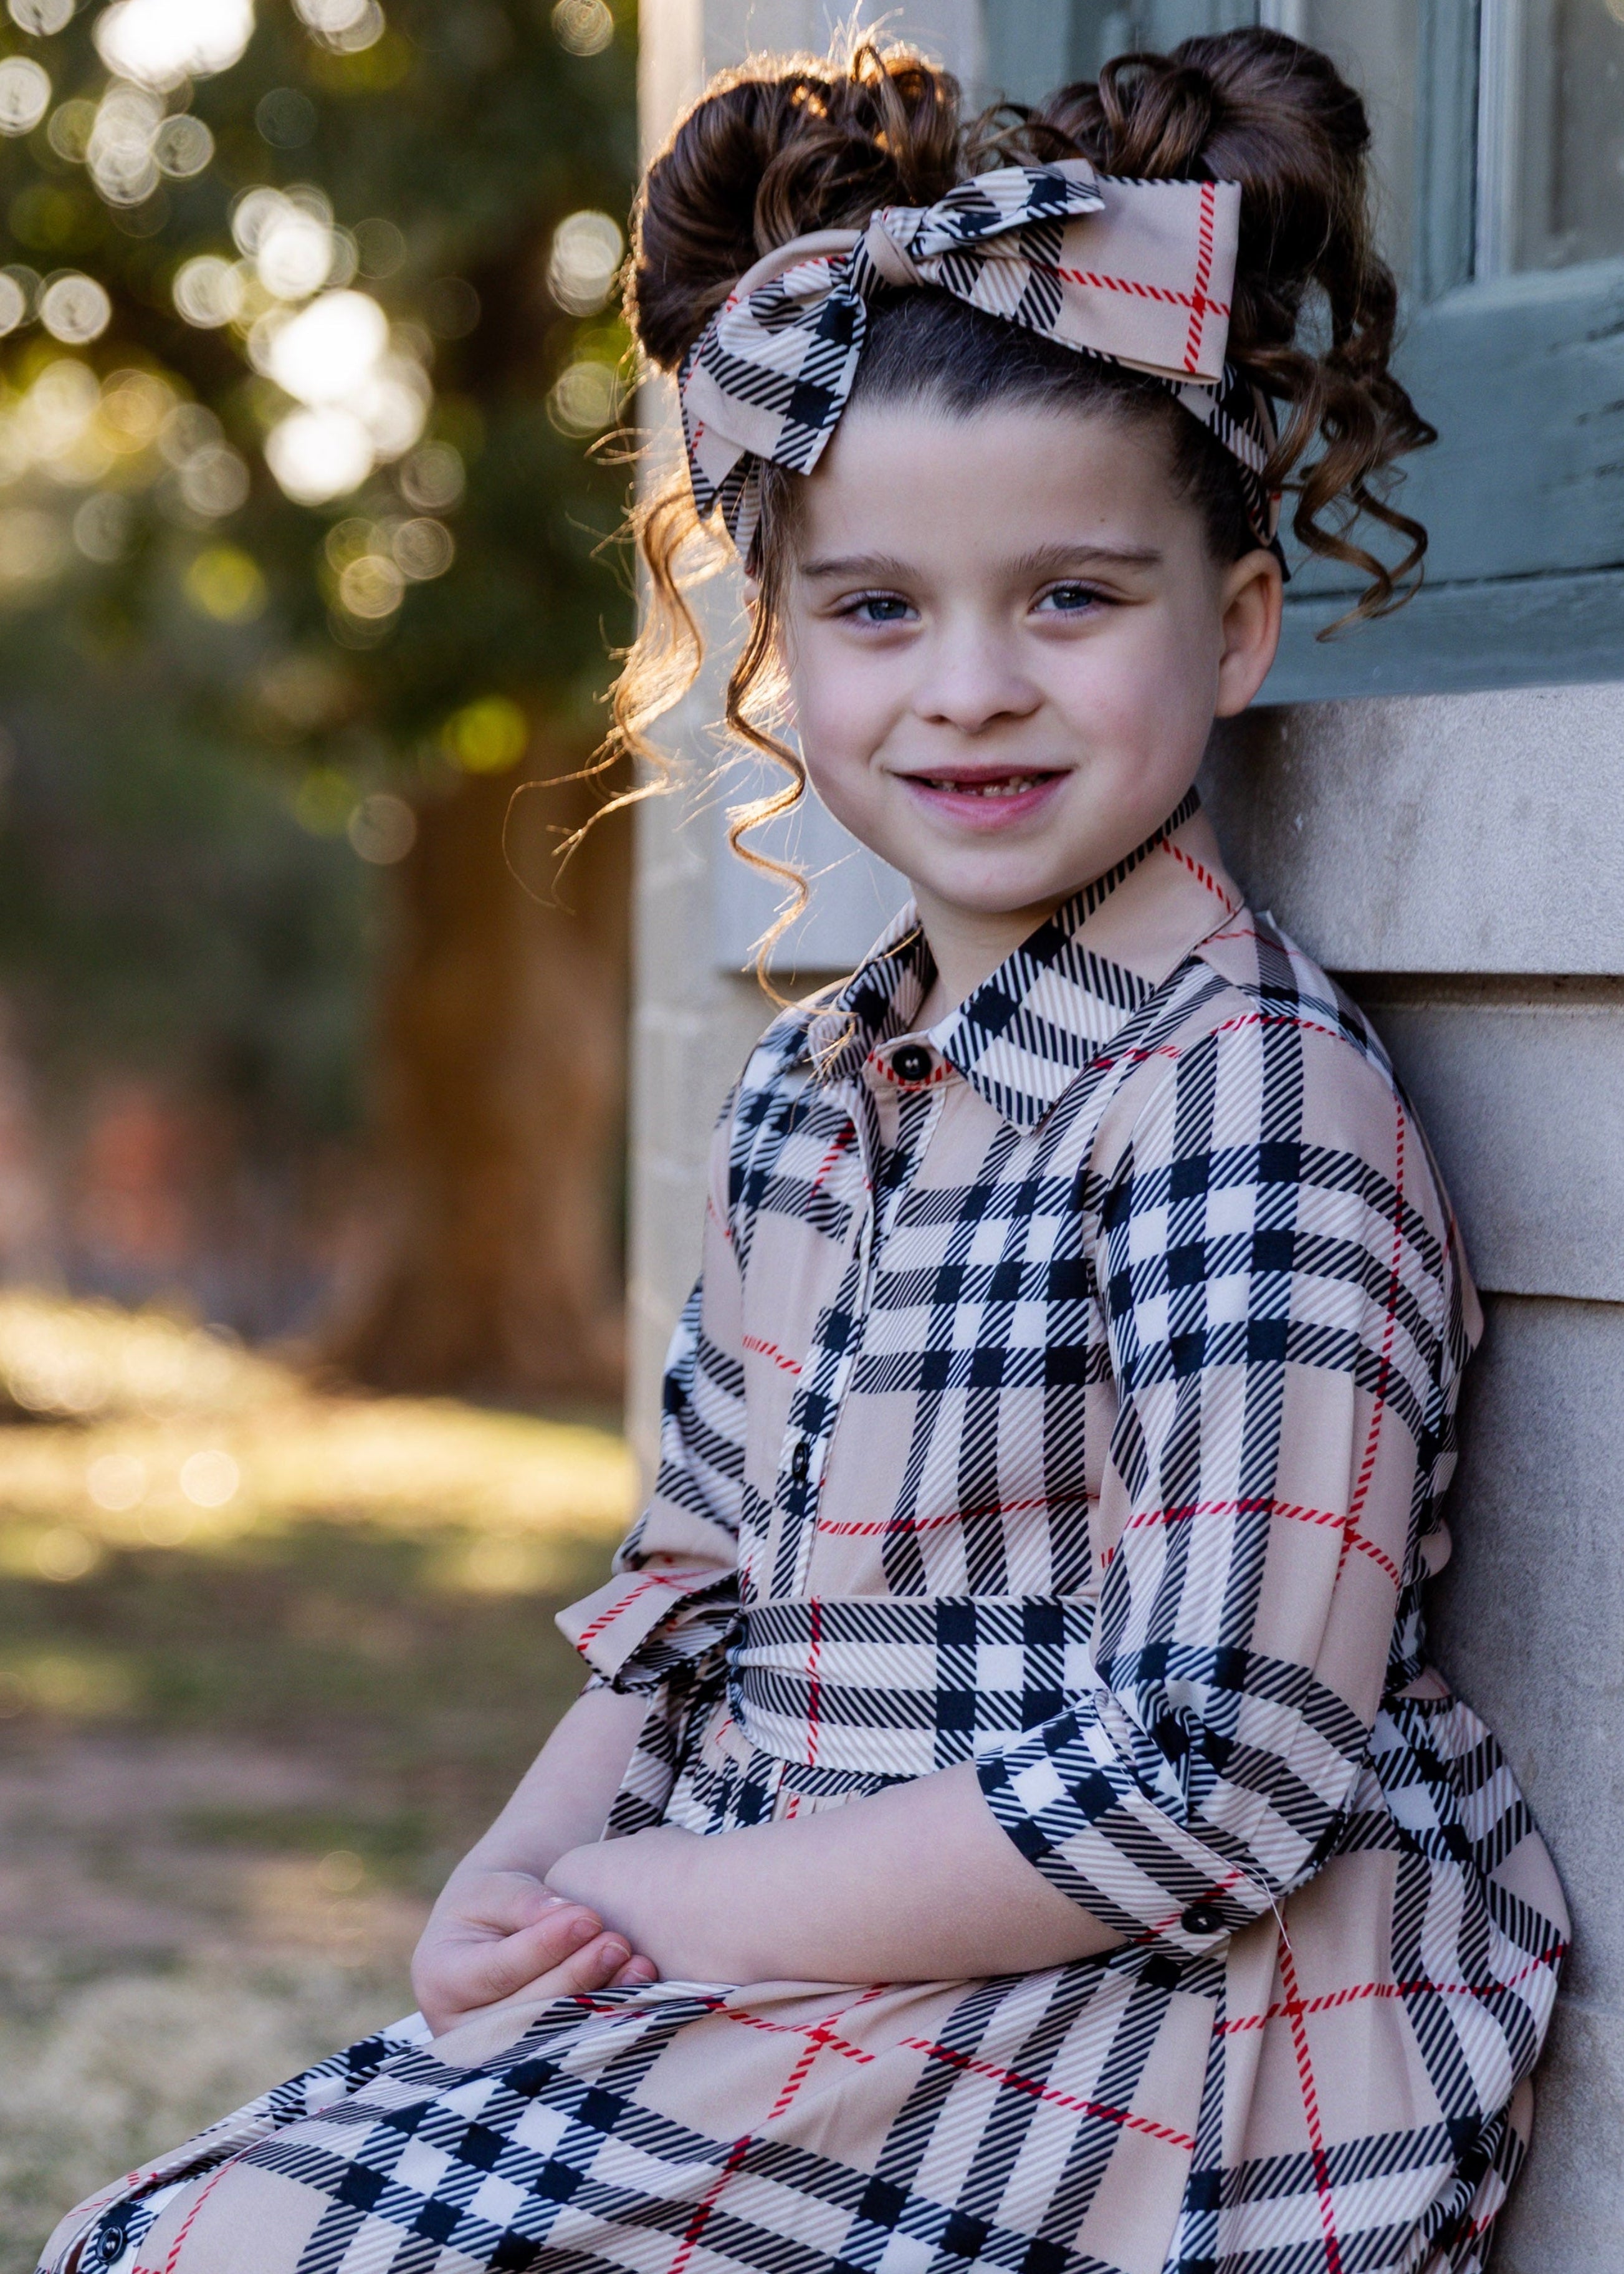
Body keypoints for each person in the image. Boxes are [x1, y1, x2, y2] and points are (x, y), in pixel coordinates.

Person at [44, 29, 1567, 2274]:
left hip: (1156, 2019)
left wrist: (689, 1902)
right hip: (810, 1939)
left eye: (1071, 597)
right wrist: (533, 1870)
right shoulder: (808, 1100)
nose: (969, 686)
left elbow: (1215, 1772)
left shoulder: (1241, 1100)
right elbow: (697, 1609)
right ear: (779, 644)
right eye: (877, 609)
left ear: (1234, 627)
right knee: (152, 2230)